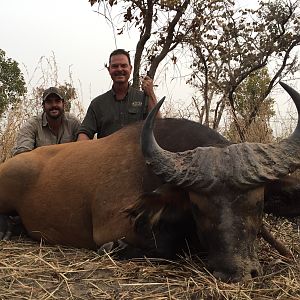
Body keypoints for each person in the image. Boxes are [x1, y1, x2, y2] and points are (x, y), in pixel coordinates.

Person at [77, 49, 161, 141]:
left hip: (138, 154)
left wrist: (151, 93)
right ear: (109, 70)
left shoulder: (144, 98)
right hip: (107, 154)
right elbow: (84, 133)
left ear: (130, 69)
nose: (119, 69)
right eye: (115, 66)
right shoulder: (97, 103)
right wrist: (80, 149)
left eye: (124, 65)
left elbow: (159, 127)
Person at [12, 86, 81, 156]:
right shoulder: (32, 125)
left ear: (63, 104)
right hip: (40, 165)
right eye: (49, 102)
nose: (54, 105)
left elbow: (83, 149)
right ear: (43, 106)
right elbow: (22, 154)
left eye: (57, 101)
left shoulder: (74, 123)